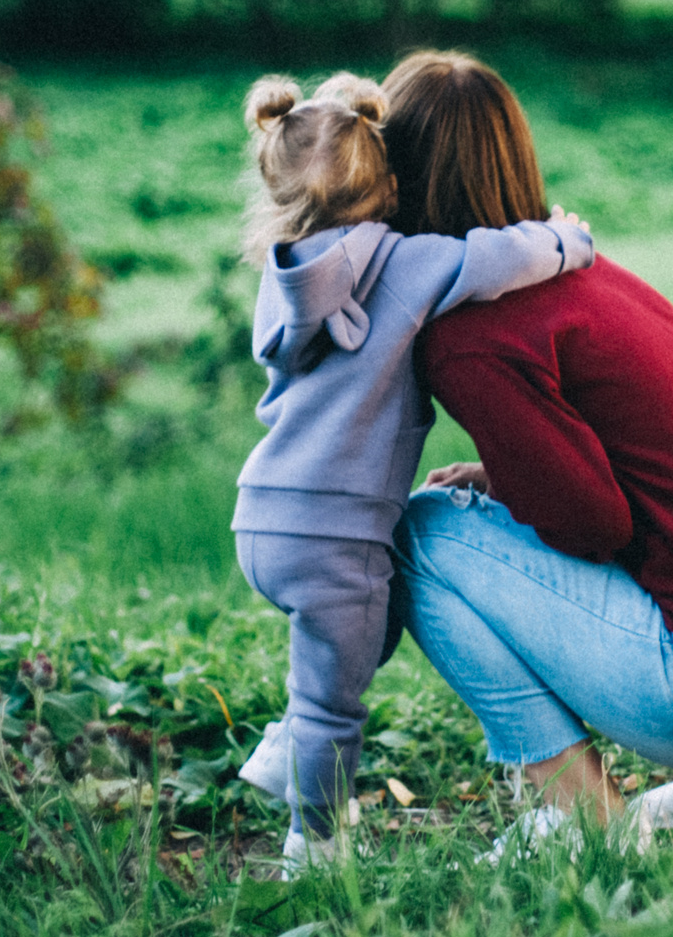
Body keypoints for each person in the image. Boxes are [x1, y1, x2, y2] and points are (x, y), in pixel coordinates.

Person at [384, 51, 673, 847]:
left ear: (395, 180)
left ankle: (581, 815)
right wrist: (506, 475)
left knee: (416, 535)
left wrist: (516, 485)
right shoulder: (586, 269)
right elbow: (647, 459)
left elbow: (591, 520)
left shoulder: (467, 334)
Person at [228, 71, 595, 870]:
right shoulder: (404, 263)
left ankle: (289, 743)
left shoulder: (280, 281)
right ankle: (313, 846)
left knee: (369, 629)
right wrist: (568, 239)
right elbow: (494, 256)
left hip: (262, 516)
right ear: (390, 186)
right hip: (337, 533)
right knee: (335, 709)